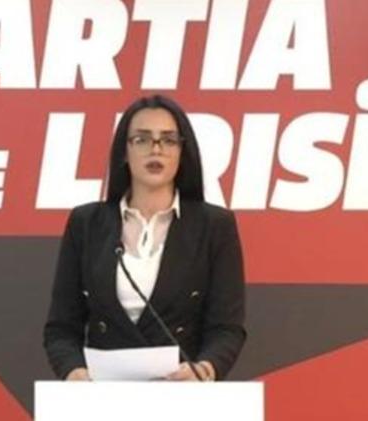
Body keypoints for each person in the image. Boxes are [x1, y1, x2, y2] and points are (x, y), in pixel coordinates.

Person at [43, 95, 246, 381]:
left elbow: (227, 328)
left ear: (182, 151)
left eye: (169, 140)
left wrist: (205, 369)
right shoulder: (86, 223)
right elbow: (61, 328)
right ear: (124, 152)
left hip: (181, 391)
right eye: (142, 139)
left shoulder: (214, 226)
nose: (156, 149)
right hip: (102, 392)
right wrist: (73, 372)